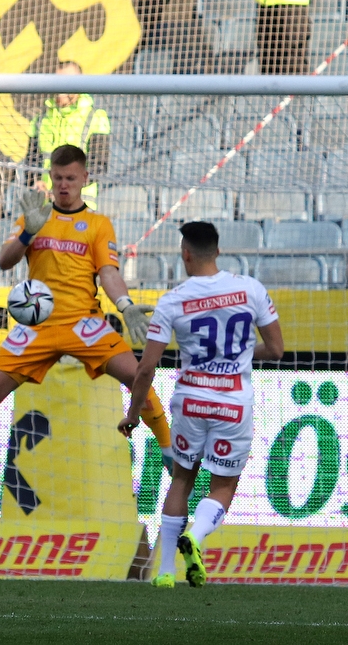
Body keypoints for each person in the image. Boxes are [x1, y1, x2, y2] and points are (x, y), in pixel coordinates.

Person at [0, 145, 172, 521]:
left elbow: (108, 272)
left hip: (84, 323)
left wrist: (125, 306)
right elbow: (4, 260)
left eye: (71, 179)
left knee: (138, 375)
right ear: (50, 178)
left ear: (84, 180)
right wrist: (29, 231)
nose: (64, 186)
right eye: (58, 178)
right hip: (37, 326)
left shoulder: (98, 224)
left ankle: (170, 453)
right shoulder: (35, 216)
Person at [119, 221, 284, 589]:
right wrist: (238, 355)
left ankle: (164, 571)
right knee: (223, 485)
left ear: (185, 254)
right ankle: (195, 535)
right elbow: (276, 349)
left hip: (191, 401)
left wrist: (133, 415)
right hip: (233, 405)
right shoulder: (250, 289)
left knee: (181, 480)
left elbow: (145, 368)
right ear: (219, 251)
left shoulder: (173, 300)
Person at [27, 62, 110, 202]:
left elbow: (98, 167)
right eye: (58, 81)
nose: (61, 87)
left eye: (67, 81)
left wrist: (65, 188)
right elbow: (30, 162)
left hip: (80, 206)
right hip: (44, 205)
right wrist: (35, 183)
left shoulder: (96, 117)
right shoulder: (41, 119)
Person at [255, 0, 310, 76]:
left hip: (291, 4)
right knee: (267, 56)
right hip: (265, 4)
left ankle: (295, 87)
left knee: (291, 58)